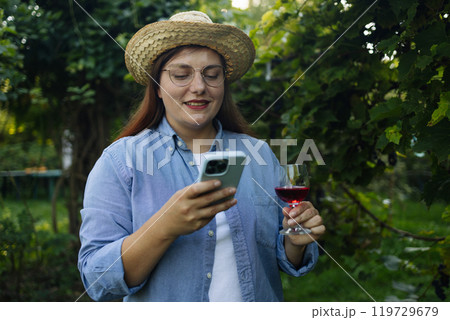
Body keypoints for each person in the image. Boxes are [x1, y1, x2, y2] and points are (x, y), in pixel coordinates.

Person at [78, 10, 325, 302]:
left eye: (212, 75)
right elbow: (96, 279)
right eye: (181, 74)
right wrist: (164, 227)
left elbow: (281, 257)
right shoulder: (120, 161)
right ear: (157, 86)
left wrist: (295, 242)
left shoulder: (258, 155)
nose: (199, 87)